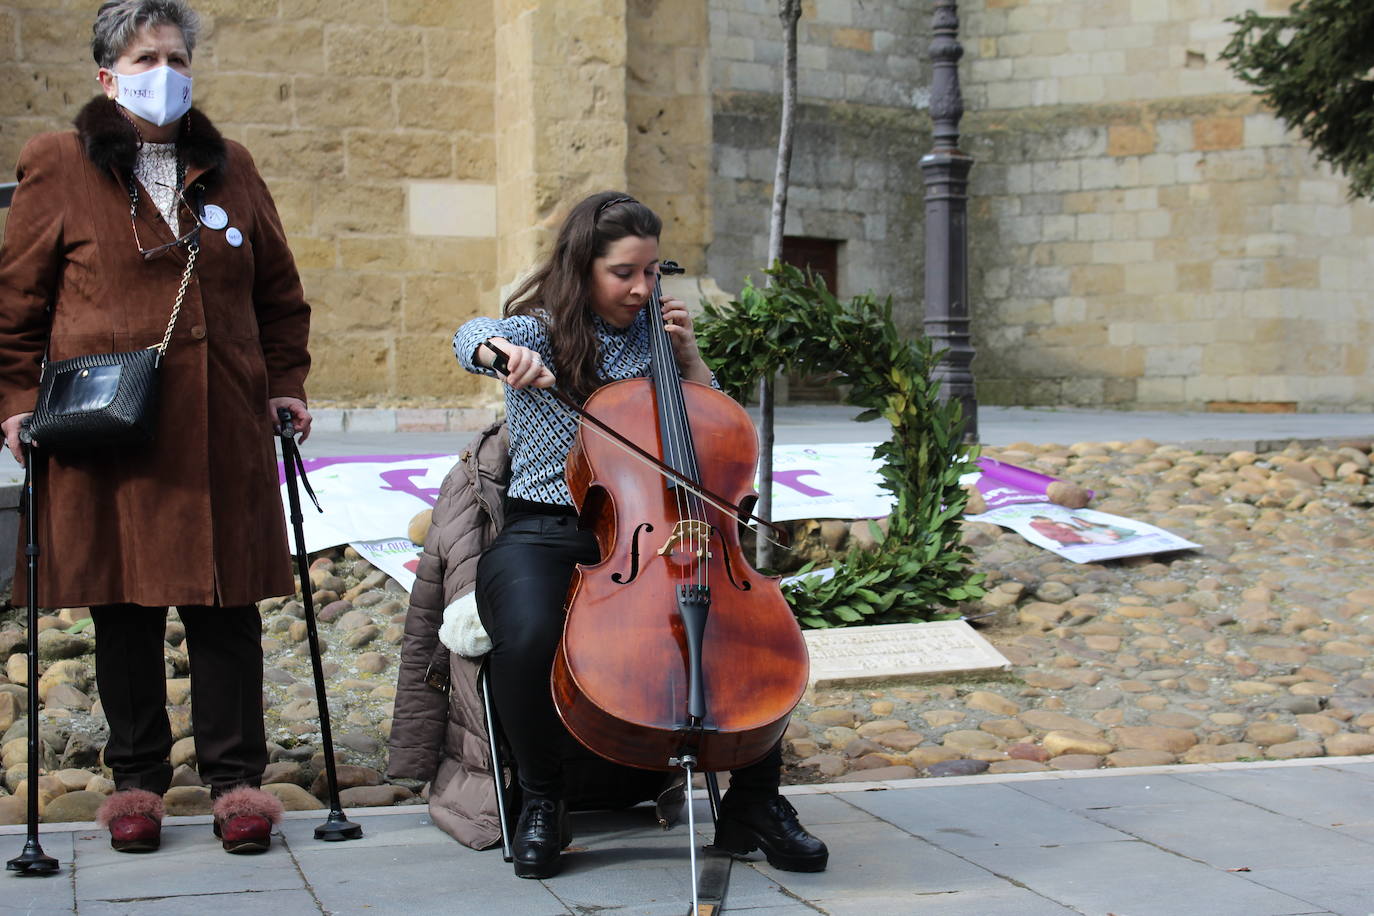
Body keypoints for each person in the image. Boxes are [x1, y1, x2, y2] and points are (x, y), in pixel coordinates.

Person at [0, 0, 311, 854]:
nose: (163, 73)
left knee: (226, 606)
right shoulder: (58, 164)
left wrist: (285, 382)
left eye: (175, 56)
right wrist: (15, 401)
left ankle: (237, 784)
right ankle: (134, 782)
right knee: (122, 607)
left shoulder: (231, 165)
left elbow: (279, 296)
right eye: (145, 59)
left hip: (222, 423)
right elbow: (16, 304)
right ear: (107, 75)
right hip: (114, 428)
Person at [452, 190, 829, 879]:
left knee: (747, 631)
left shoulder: (659, 335)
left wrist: (687, 362)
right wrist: (498, 350)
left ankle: (756, 801)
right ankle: (542, 797)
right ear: (583, 266)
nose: (642, 287)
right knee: (528, 635)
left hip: (660, 530)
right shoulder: (538, 330)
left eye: (652, 271)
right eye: (624, 271)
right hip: (548, 526)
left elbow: (715, 432)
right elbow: (469, 336)